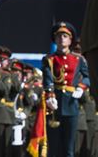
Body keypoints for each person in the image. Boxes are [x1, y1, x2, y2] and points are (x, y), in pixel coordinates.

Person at [42, 21, 90, 157]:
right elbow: (47, 79)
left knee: (69, 148)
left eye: (65, 36)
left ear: (70, 40)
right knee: (54, 147)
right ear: (55, 39)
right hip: (54, 105)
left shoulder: (78, 59)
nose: (61, 39)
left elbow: (87, 77)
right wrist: (50, 96)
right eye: (58, 36)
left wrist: (81, 88)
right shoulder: (49, 59)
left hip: (71, 104)